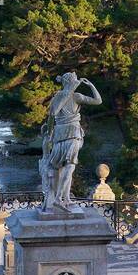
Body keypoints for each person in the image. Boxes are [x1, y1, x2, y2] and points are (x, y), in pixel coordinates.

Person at [40, 72, 102, 212]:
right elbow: (98, 101)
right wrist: (91, 85)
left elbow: (51, 116)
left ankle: (65, 198)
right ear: (73, 82)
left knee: (59, 168)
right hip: (73, 133)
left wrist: (49, 134)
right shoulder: (75, 96)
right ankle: (58, 199)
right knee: (69, 168)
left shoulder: (58, 96)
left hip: (59, 134)